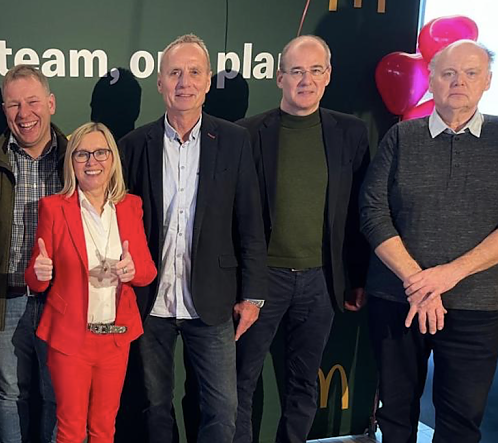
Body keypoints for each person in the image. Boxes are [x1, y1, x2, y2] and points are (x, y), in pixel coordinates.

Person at [119, 34, 268, 442]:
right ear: (160, 83)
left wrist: (253, 294)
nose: (184, 82)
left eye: (194, 73)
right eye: (175, 73)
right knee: (153, 407)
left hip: (214, 299)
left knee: (222, 409)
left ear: (206, 83)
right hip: (151, 301)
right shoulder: (133, 146)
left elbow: (250, 221)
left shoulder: (235, 141)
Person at [360, 39, 498, 443]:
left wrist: (444, 278)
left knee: (461, 420)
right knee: (397, 413)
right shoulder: (401, 138)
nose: (459, 82)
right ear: (431, 81)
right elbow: (372, 213)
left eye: (470, 73)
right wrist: (418, 282)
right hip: (397, 300)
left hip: (478, 306)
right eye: (448, 73)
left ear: (487, 80)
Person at [233, 35, 370, 443]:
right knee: (242, 381)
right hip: (262, 281)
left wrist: (356, 277)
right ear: (279, 79)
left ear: (327, 75)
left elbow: (361, 209)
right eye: (296, 71)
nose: (305, 80)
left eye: (314, 70)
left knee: (303, 384)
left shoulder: (351, 133)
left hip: (321, 282)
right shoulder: (248, 133)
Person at [24, 122, 157, 442]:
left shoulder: (130, 206)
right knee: (70, 429)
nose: (91, 162)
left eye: (100, 153)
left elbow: (147, 272)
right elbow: (36, 278)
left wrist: (132, 270)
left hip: (114, 336)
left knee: (104, 428)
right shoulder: (54, 208)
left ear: (112, 160)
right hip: (71, 336)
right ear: (71, 162)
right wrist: (39, 273)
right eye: (82, 154)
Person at [0, 64, 64, 443]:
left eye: (32, 102)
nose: (24, 113)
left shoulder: (75, 160)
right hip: (6, 298)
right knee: (10, 393)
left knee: (56, 394)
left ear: (51, 104)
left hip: (60, 301)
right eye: (14, 105)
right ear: (4, 110)